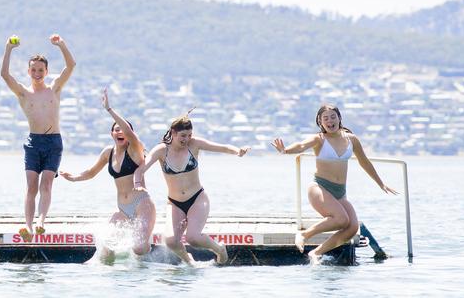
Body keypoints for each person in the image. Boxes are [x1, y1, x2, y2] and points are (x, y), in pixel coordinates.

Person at [272, 104, 398, 261]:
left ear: (339, 118)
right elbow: (302, 145)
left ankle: (316, 253)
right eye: (325, 118)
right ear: (320, 122)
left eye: (333, 117)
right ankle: (304, 234)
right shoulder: (319, 139)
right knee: (341, 219)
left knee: (352, 227)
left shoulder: (351, 139)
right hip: (320, 188)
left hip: (340, 192)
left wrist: (381, 183)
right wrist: (285, 150)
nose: (330, 121)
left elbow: (364, 162)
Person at [134, 112, 250, 265]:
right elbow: (140, 170)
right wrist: (137, 184)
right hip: (175, 203)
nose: (186, 139)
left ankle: (219, 249)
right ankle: (189, 261)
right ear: (173, 133)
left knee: (193, 238)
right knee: (170, 241)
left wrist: (237, 151)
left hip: (197, 199)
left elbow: (221, 147)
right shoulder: (161, 150)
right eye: (183, 135)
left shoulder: (194, 144)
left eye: (189, 135)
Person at [60, 88, 156, 259]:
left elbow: (130, 133)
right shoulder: (107, 153)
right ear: (111, 133)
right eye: (116, 130)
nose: (120, 132)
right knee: (107, 248)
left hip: (142, 204)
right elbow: (90, 172)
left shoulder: (135, 150)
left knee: (139, 248)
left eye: (123, 130)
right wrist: (73, 178)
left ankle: (155, 253)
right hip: (123, 209)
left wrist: (109, 110)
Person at [1, 34, 76, 240]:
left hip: (53, 142)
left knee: (46, 184)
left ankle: (41, 221)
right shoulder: (24, 93)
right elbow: (5, 75)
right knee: (31, 186)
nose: (37, 73)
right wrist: (8, 49)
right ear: (28, 71)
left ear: (46, 71)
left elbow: (71, 66)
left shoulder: (54, 89)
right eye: (33, 70)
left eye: (40, 70)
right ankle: (28, 226)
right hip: (33, 142)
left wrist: (61, 44)